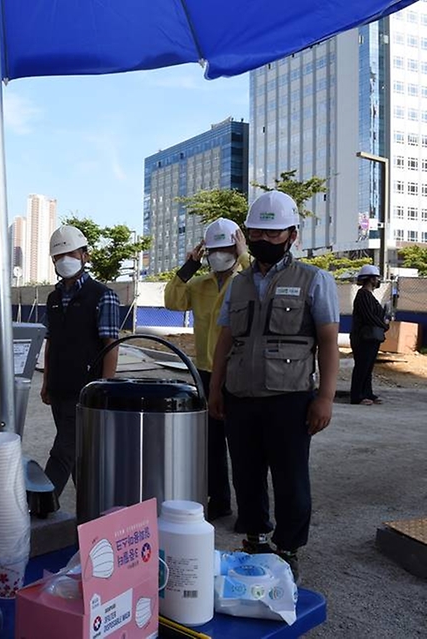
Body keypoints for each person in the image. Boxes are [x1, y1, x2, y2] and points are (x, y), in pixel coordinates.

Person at [209, 190, 339, 582]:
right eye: (258, 233)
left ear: (292, 234)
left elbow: (329, 341)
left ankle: (287, 548)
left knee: (290, 478)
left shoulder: (315, 280)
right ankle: (255, 539)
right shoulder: (239, 283)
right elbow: (225, 342)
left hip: (291, 398)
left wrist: (326, 398)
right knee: (246, 475)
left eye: (274, 233)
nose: (265, 241)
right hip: (241, 396)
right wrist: (216, 390)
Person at [164, 218, 249, 521]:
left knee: (242, 445)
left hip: (239, 372)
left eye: (226, 248)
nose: (219, 254)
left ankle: (250, 510)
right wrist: (189, 266)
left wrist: (245, 255)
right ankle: (220, 500)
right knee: (210, 445)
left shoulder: (247, 279)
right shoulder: (199, 285)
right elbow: (173, 301)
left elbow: (262, 286)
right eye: (213, 249)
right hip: (206, 373)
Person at [41, 225, 121, 497]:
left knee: (63, 450)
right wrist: (46, 382)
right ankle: (91, 505)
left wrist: (105, 388)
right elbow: (50, 342)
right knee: (77, 452)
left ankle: (40, 504)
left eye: (71, 253)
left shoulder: (103, 296)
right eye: (58, 255)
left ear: (85, 256)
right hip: (58, 386)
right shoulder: (52, 298)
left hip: (87, 390)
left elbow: (111, 345)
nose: (64, 259)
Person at [350, 264, 389, 406]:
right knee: (362, 365)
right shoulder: (363, 295)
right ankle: (357, 396)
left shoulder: (369, 296)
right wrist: (384, 325)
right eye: (376, 278)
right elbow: (368, 317)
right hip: (363, 337)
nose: (378, 281)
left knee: (368, 366)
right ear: (371, 279)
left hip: (370, 337)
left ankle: (367, 393)